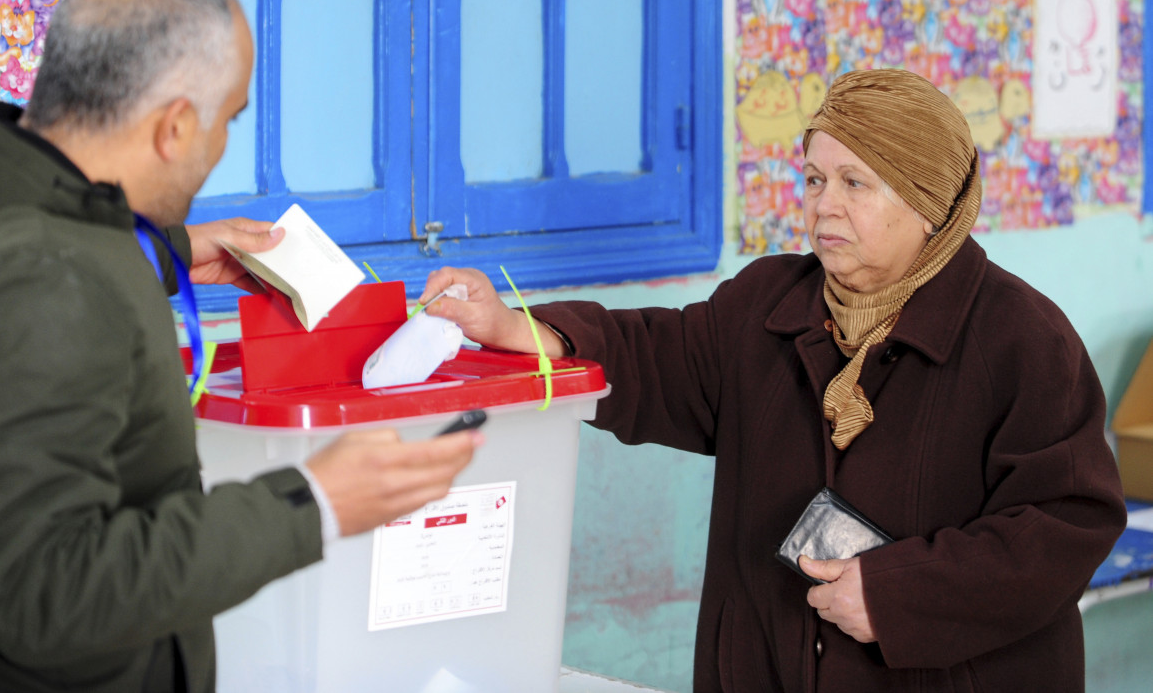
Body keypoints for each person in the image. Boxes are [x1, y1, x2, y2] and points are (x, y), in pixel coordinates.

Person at [418, 68, 1126, 692]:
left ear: (927, 202)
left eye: (856, 183)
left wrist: (898, 596)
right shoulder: (770, 304)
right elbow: (657, 355)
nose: (825, 206)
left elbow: (1063, 526)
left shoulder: (1023, 340)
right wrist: (517, 330)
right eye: (815, 179)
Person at [0, 0, 480, 692]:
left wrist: (168, 249)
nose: (220, 147)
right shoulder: (56, 275)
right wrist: (312, 504)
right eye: (228, 120)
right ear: (176, 127)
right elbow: (39, 591)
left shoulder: (17, 193)